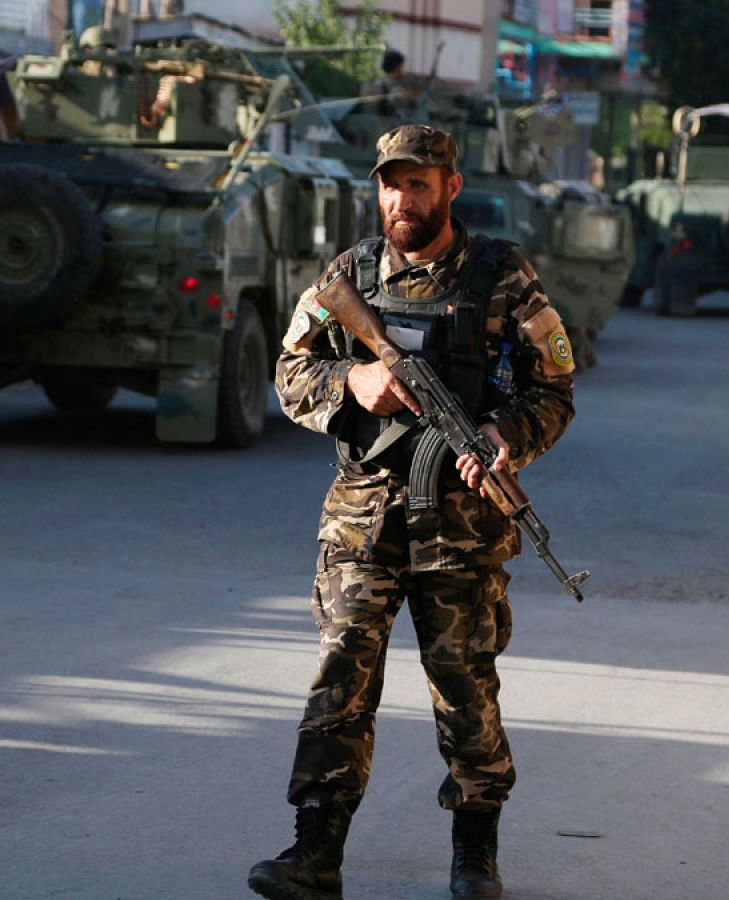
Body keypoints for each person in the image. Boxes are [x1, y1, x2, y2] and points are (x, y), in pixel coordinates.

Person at [251, 124, 576, 900]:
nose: (402, 199)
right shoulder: (350, 275)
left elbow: (555, 388)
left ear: (451, 188)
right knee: (340, 675)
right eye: (391, 185)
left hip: (462, 527)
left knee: (465, 684)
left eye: (419, 184)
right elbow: (289, 371)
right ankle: (315, 849)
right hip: (361, 520)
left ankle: (475, 852)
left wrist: (505, 435)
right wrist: (351, 384)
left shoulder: (502, 276)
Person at [362, 49, 409, 116]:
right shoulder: (393, 86)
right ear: (396, 67)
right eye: (401, 67)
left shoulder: (379, 81)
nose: (402, 70)